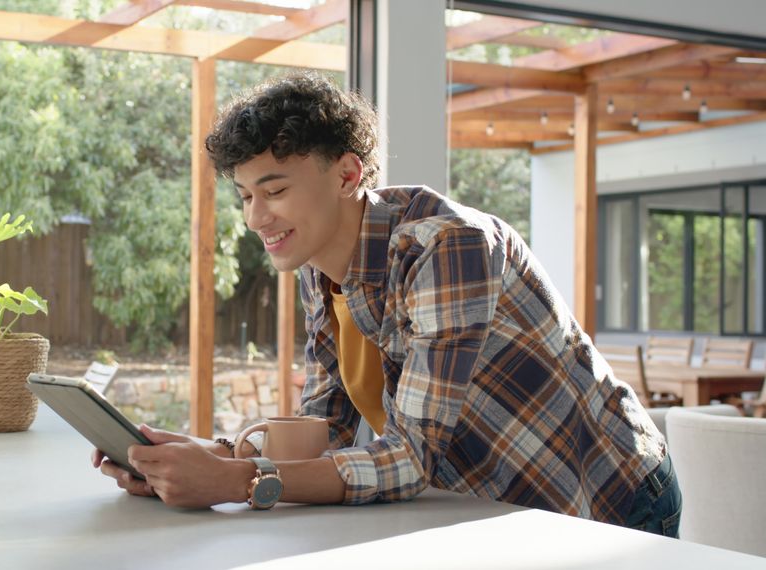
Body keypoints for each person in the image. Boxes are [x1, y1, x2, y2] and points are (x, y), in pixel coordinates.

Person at [93, 72, 680, 537]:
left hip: (605, 495)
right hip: (483, 501)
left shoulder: (448, 246)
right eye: (246, 195)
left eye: (274, 191)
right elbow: (331, 427)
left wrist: (234, 481)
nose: (255, 217)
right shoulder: (317, 266)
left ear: (348, 174)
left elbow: (410, 458)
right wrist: (212, 454)